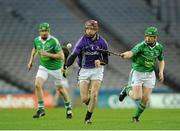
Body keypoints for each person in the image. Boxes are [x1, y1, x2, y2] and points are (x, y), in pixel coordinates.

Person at [65, 20, 109, 124]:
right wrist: (65, 66)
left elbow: (106, 60)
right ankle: (90, 103)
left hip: (97, 70)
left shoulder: (102, 42)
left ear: (96, 30)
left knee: (94, 94)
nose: (89, 31)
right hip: (84, 70)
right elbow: (73, 56)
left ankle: (88, 118)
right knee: (85, 99)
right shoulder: (82, 41)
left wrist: (100, 61)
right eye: (87, 29)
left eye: (92, 29)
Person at [119, 26, 165, 122]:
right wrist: (126, 55)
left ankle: (136, 117)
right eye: (147, 36)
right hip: (138, 73)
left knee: (145, 99)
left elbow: (161, 60)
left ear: (155, 37)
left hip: (150, 74)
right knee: (137, 97)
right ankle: (127, 89)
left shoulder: (159, 47)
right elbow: (131, 52)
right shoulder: (141, 46)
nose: (148, 38)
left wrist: (161, 71)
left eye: (150, 36)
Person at [27, 23, 72, 119]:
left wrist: (47, 54)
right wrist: (31, 61)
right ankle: (41, 109)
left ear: (49, 31)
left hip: (56, 68)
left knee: (60, 89)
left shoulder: (54, 41)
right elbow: (35, 49)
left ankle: (68, 108)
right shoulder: (36, 40)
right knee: (37, 84)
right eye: (42, 31)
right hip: (43, 67)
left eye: (45, 31)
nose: (44, 33)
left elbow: (61, 56)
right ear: (39, 31)